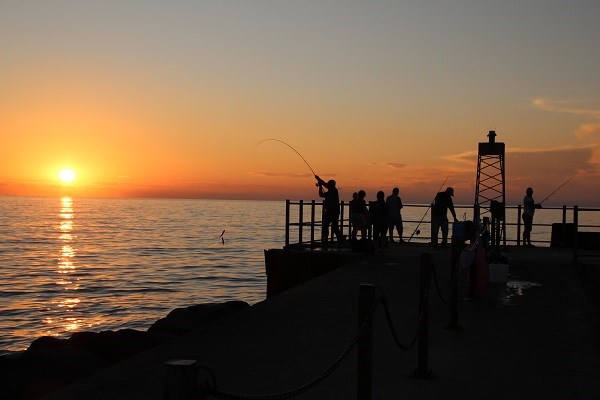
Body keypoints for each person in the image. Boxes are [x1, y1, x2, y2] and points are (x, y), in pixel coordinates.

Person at [315, 175, 343, 245]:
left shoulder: (333, 191)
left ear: (331, 185)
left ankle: (338, 240)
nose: (327, 186)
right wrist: (319, 181)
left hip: (332, 211)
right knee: (329, 226)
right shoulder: (332, 190)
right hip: (333, 211)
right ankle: (328, 240)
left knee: (330, 226)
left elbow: (321, 194)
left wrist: (320, 184)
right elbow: (323, 189)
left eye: (328, 185)